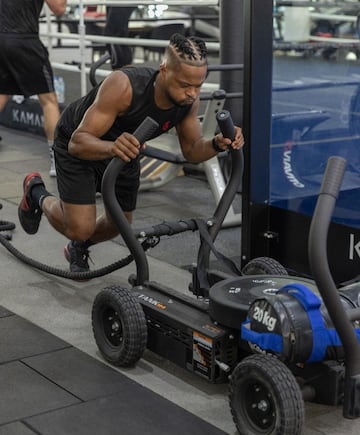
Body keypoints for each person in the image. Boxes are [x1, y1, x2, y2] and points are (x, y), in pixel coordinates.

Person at [18, 33, 244, 275]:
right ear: (164, 70)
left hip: (125, 150)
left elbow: (191, 150)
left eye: (198, 86)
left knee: (119, 225)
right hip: (80, 143)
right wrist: (112, 146)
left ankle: (78, 247)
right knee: (79, 227)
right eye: (185, 85)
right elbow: (77, 143)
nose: (192, 93)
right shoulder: (124, 85)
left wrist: (217, 144)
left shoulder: (188, 101)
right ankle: (36, 192)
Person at [0, 0, 67, 177]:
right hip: (24, 40)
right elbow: (59, 8)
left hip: (1, 38)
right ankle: (57, 160)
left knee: (1, 95)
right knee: (49, 101)